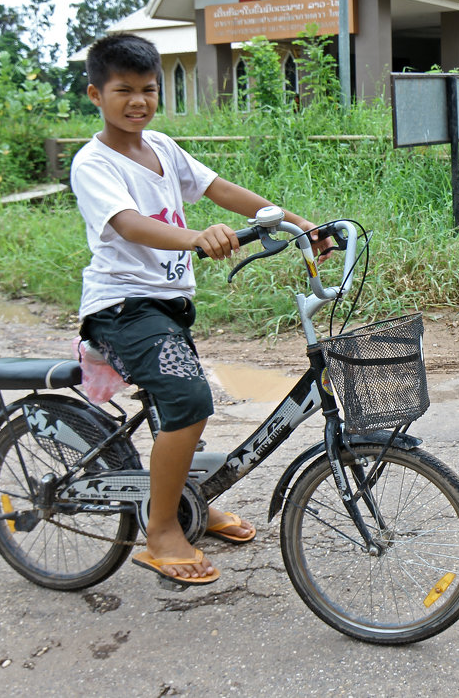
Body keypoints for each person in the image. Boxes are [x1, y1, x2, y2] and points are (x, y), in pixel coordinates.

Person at [72, 33, 326, 585]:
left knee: (180, 408)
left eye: (148, 89)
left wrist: (300, 223)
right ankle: (161, 530)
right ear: (96, 94)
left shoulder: (160, 147)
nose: (137, 101)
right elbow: (128, 224)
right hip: (122, 307)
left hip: (165, 307)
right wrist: (192, 240)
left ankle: (192, 501)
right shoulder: (94, 163)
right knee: (189, 399)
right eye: (123, 91)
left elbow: (220, 189)